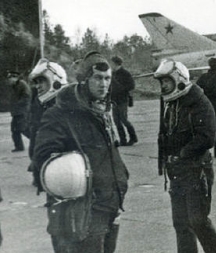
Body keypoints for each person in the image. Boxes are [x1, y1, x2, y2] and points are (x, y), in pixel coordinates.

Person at [33, 51, 129, 253]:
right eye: (97, 78)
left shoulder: (104, 111)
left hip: (111, 205)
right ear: (85, 80)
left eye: (107, 79)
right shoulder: (60, 114)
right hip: (84, 211)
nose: (103, 84)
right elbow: (43, 157)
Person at [155, 59, 216, 253]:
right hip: (177, 173)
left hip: (196, 171)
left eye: (166, 81)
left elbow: (207, 137)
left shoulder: (199, 102)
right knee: (181, 224)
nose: (163, 86)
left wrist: (182, 154)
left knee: (198, 221)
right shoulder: (172, 103)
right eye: (161, 82)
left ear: (178, 79)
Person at [27, 59, 68, 187]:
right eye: (36, 82)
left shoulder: (66, 105)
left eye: (41, 81)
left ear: (54, 79)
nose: (37, 86)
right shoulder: (42, 103)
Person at [110, 55, 138, 146]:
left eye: (112, 63)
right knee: (116, 121)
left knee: (124, 120)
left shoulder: (125, 73)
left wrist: (121, 89)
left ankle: (133, 138)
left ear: (116, 64)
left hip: (122, 100)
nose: (110, 65)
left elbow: (131, 86)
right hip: (114, 100)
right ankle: (123, 140)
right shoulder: (111, 74)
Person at [7, 70, 31, 152]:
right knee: (14, 130)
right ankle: (19, 147)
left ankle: (37, 142)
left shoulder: (22, 84)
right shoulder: (15, 86)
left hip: (22, 111)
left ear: (15, 78)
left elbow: (27, 96)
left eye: (10, 78)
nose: (9, 81)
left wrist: (18, 104)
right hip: (17, 112)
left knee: (23, 129)